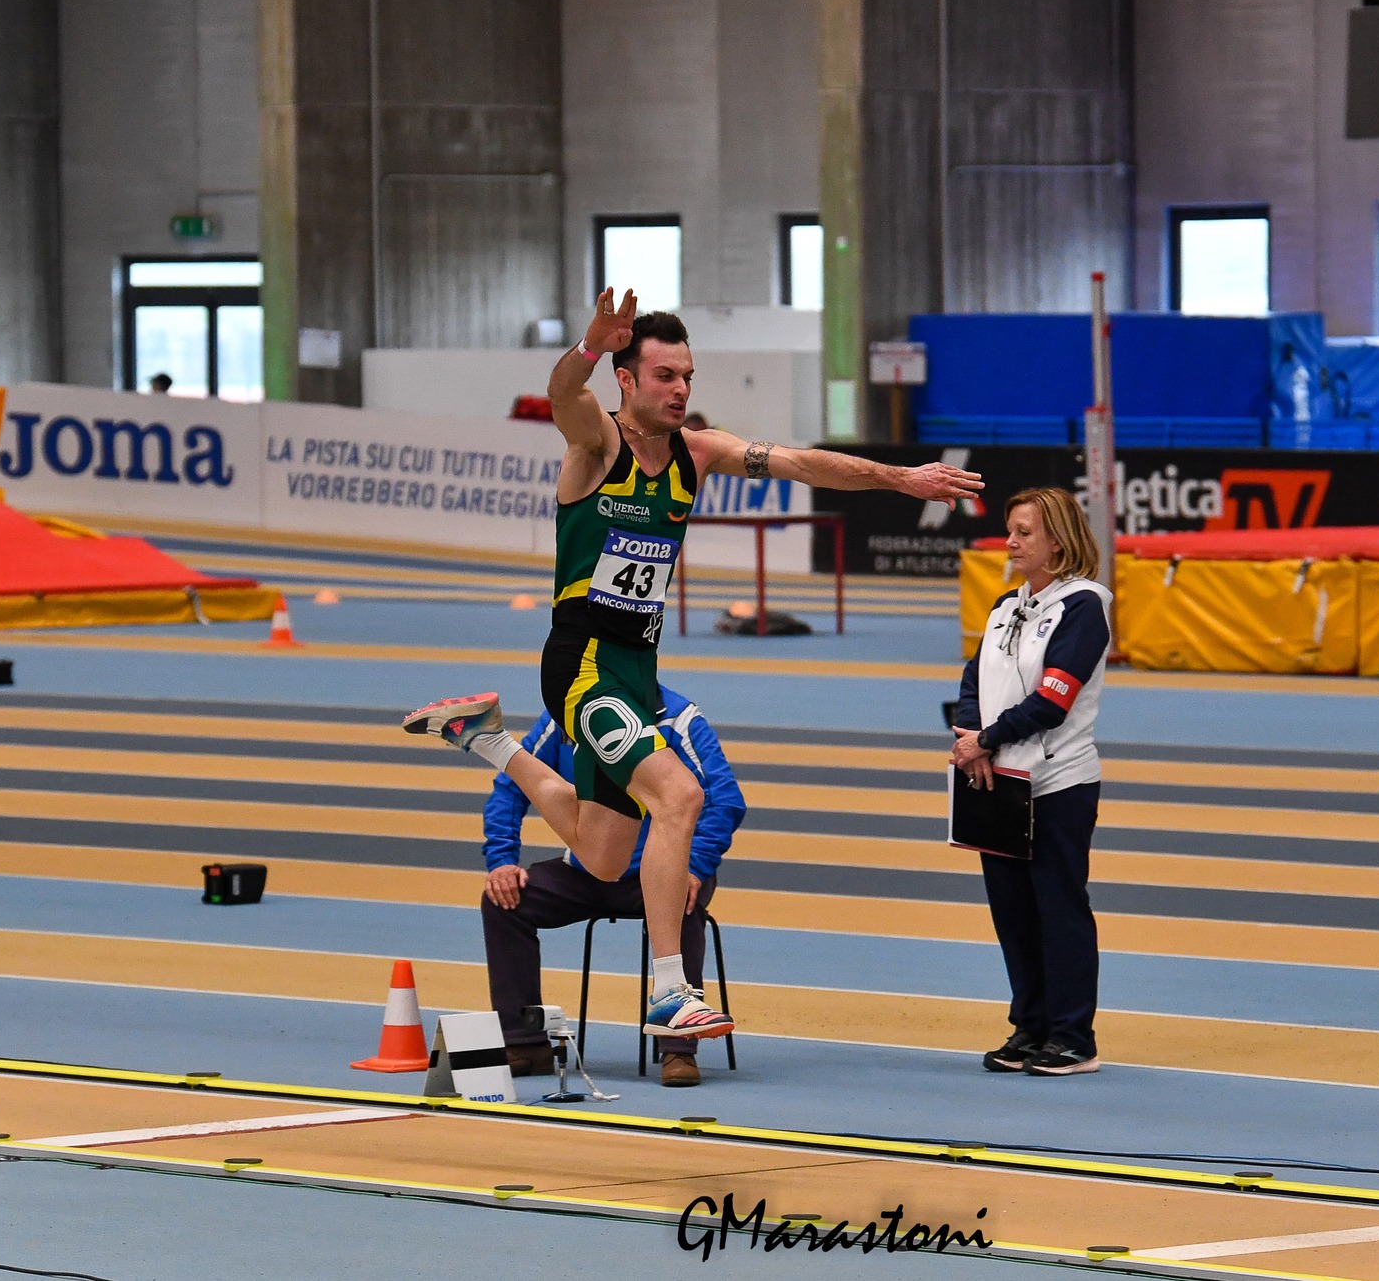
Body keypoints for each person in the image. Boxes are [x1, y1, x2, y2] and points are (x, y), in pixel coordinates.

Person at [405, 288, 981, 1045]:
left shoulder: (696, 453)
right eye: (664, 375)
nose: (680, 389)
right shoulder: (596, 447)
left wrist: (898, 479)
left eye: (687, 376)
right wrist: (586, 345)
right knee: (680, 792)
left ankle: (489, 740)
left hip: (636, 670)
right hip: (581, 665)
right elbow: (560, 396)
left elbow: (802, 462)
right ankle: (670, 989)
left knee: (604, 856)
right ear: (626, 380)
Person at [482, 685, 743, 1088]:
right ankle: (524, 1041)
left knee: (682, 902)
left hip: (659, 875)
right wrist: (502, 860)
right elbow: (514, 784)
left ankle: (679, 1047)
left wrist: (694, 866)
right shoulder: (568, 715)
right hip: (587, 872)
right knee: (504, 900)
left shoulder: (679, 719)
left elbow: (724, 800)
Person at [950, 486, 1112, 1076]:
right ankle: (1031, 1026)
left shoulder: (1084, 606)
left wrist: (985, 741)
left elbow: (1054, 699)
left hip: (1058, 783)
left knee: (1058, 908)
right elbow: (975, 677)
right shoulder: (1003, 606)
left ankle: (1074, 1038)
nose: (1011, 541)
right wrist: (969, 736)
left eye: (1024, 532)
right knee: (1012, 912)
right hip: (996, 782)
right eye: (1010, 530)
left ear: (1058, 541)